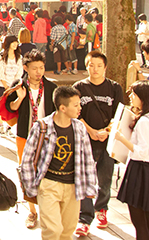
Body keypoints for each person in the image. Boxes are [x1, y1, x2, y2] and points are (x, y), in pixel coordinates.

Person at [20, 86, 97, 240]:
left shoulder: (79, 128)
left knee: (67, 231)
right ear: (63, 108)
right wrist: (31, 187)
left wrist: (90, 186)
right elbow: (27, 159)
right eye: (75, 105)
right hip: (49, 184)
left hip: (72, 186)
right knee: (53, 230)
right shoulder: (42, 127)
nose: (79, 108)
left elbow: (87, 158)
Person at [73, 51, 124, 236]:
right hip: (86, 141)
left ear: (105, 67)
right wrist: (91, 131)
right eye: (91, 65)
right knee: (86, 179)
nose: (95, 69)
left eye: (99, 66)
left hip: (107, 142)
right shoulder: (79, 87)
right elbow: (75, 114)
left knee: (105, 178)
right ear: (86, 66)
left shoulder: (114, 88)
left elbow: (119, 115)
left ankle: (101, 208)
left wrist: (106, 131)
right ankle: (84, 218)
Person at [7, 49, 57, 229]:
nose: (38, 72)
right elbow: (11, 108)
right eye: (35, 68)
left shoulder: (51, 88)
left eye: (41, 68)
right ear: (26, 68)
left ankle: (47, 209)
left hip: (47, 136)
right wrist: (20, 99)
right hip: (25, 136)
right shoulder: (19, 85)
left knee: (48, 171)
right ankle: (32, 211)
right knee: (26, 172)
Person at [115, 81, 149, 240]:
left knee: (138, 218)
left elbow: (141, 152)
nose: (130, 96)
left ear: (144, 97)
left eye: (134, 94)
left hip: (140, 170)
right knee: (146, 216)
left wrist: (121, 138)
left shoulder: (145, 121)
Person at [0, 35, 22, 135]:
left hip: (14, 86)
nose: (15, 44)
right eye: (13, 42)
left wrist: (14, 86)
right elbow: (0, 73)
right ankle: (1, 124)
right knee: (2, 107)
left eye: (16, 42)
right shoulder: (1, 57)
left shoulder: (19, 57)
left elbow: (19, 73)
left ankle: (9, 126)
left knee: (13, 107)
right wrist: (6, 86)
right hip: (3, 86)